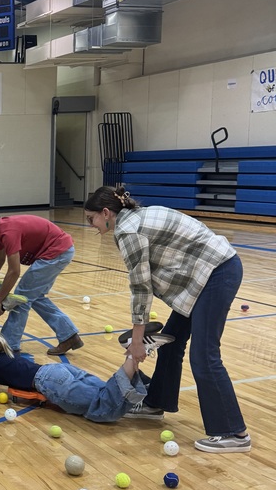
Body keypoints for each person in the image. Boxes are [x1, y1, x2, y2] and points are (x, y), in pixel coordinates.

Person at [83, 185, 251, 453]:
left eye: (92, 219)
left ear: (106, 213)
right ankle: (155, 402)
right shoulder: (136, 216)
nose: (92, 226)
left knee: (205, 355)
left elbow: (141, 288)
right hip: (205, 276)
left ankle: (234, 432)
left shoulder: (128, 231)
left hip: (216, 273)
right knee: (172, 343)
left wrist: (137, 343)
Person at [0, 324, 174, 423]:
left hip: (49, 382)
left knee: (103, 411)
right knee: (104, 392)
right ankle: (137, 362)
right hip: (56, 370)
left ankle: (133, 353)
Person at [0, 201, 81, 356]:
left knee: (20, 298)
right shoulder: (0, 230)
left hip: (57, 251)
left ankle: (9, 345)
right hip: (59, 250)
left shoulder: (8, 233)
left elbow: (14, 271)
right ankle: (69, 336)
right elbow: (0, 258)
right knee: (33, 297)